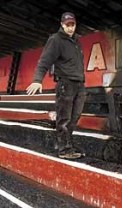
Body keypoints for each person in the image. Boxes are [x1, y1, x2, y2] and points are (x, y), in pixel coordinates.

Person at [26, 12, 86, 159]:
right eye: (67, 25)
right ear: (62, 25)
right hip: (65, 83)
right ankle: (64, 149)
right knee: (64, 117)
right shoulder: (56, 40)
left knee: (75, 116)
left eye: (73, 25)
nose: (71, 28)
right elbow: (44, 61)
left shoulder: (76, 41)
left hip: (79, 84)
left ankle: (68, 144)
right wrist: (37, 80)